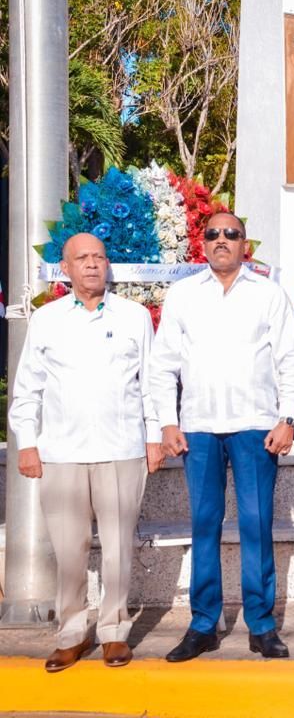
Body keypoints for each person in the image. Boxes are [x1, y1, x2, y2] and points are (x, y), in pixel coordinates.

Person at [152, 212, 294, 662]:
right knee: (204, 527)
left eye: (231, 233)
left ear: (246, 244)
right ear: (202, 243)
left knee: (256, 526)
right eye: (213, 234)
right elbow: (163, 365)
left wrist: (288, 419)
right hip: (198, 429)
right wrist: (167, 421)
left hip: (256, 428)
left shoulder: (268, 295)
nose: (222, 240)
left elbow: (293, 361)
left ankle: (261, 625)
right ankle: (204, 623)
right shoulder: (183, 295)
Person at [8, 233, 163, 672]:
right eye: (82, 258)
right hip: (61, 453)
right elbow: (28, 389)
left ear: (108, 265)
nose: (92, 264)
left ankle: (114, 632)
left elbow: (149, 382)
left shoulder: (134, 317)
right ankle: (71, 633)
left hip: (122, 450)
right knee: (70, 552)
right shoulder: (47, 319)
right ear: (66, 269)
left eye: (99, 257)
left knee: (117, 550)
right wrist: (28, 444)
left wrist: (154, 436)